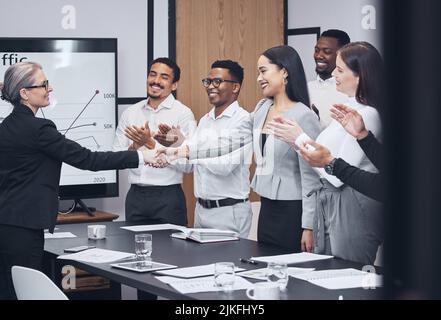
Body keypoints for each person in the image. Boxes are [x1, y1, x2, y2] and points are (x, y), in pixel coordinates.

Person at [0, 62, 160, 299]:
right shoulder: (39, 129)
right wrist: (141, 156)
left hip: (7, 224)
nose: (49, 88)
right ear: (24, 93)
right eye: (43, 84)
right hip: (25, 227)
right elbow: (88, 159)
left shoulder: (6, 126)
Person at [159, 46, 321, 252]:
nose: (258, 78)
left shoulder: (303, 115)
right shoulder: (262, 108)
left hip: (293, 210)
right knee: (266, 268)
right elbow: (226, 144)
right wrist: (181, 150)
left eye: (263, 71)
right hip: (267, 207)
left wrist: (308, 225)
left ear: (284, 72)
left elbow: (311, 177)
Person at [267, 42, 383, 264]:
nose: (334, 74)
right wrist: (299, 142)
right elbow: (326, 162)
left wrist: (299, 139)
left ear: (359, 76)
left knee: (347, 273)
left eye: (340, 70)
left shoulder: (368, 115)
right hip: (332, 200)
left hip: (352, 204)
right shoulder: (351, 109)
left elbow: (335, 174)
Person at [113, 57, 196, 226]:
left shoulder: (183, 114)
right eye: (153, 75)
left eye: (164, 77)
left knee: (171, 252)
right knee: (134, 250)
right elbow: (116, 158)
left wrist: (151, 144)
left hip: (168, 198)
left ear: (174, 85)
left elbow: (189, 165)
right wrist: (135, 146)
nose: (156, 81)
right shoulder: (130, 113)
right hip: (136, 197)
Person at [174, 60, 253, 237]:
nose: (210, 86)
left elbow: (223, 166)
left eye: (217, 81)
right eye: (208, 82)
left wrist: (189, 149)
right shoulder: (205, 120)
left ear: (235, 87)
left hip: (229, 212)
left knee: (229, 264)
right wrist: (175, 146)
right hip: (201, 210)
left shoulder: (243, 121)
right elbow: (188, 167)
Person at [299, 103, 383, 202]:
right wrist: (364, 136)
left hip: (353, 202)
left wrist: (331, 163)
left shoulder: (369, 114)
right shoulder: (356, 115)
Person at [308, 29, 350, 129]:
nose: (318, 56)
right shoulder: (306, 88)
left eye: (327, 52)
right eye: (316, 50)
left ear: (343, 55)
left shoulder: (350, 92)